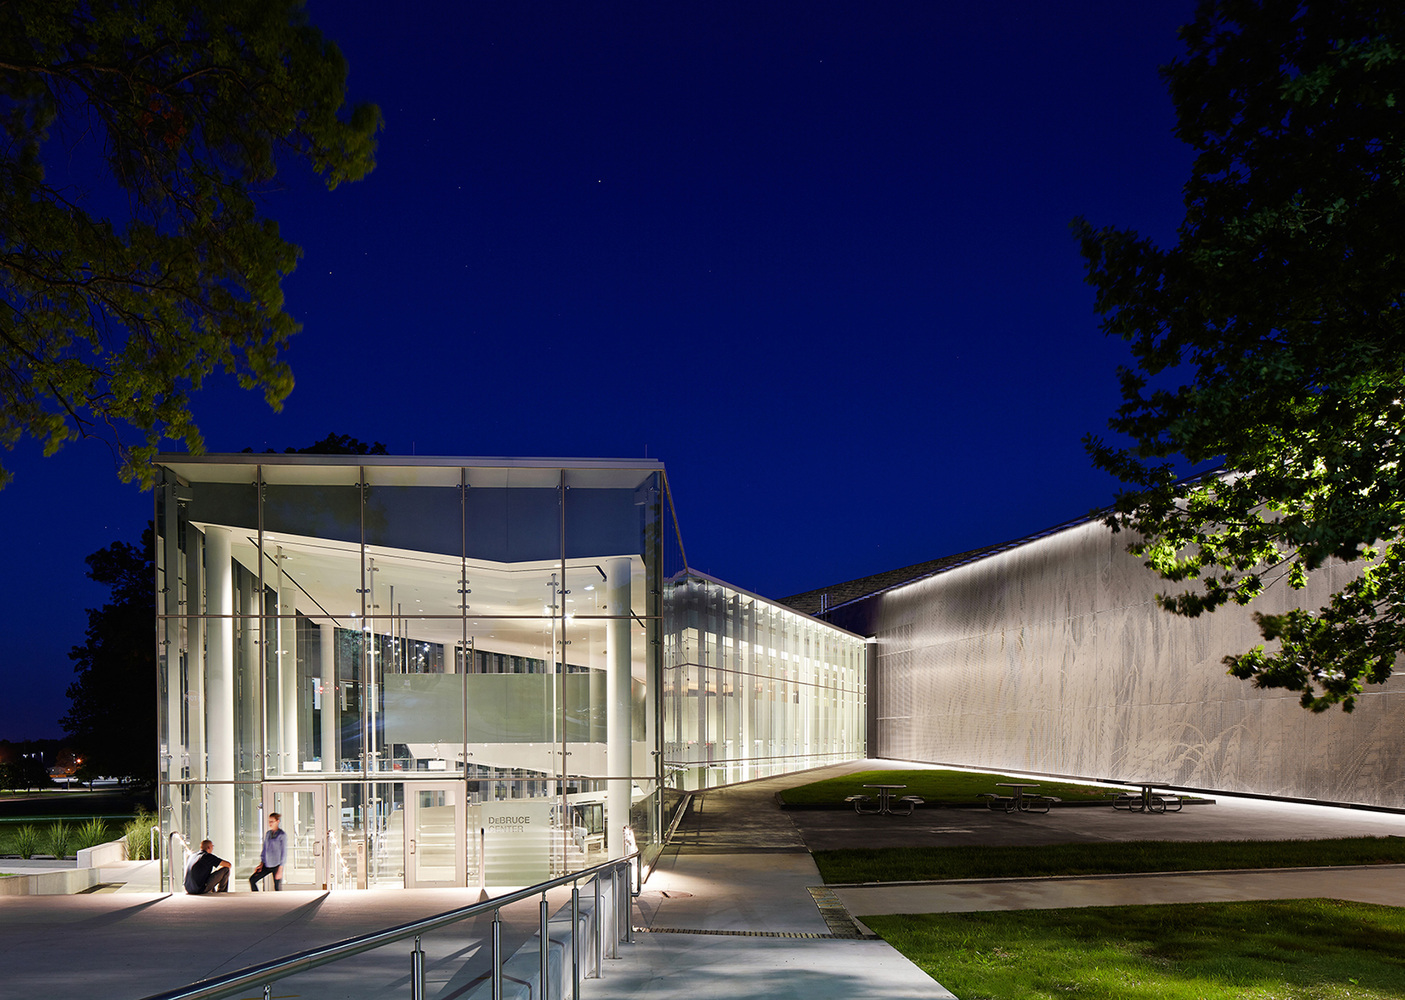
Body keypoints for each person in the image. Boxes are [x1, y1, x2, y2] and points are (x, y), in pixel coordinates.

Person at [249, 812, 287, 891]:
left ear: (277, 821)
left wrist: (280, 868)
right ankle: (257, 899)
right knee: (252, 880)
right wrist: (261, 863)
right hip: (267, 864)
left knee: (277, 888)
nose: (270, 823)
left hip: (276, 865)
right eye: (269, 821)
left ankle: (279, 902)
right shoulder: (268, 834)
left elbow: (284, 852)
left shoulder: (282, 835)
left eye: (272, 821)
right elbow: (265, 849)